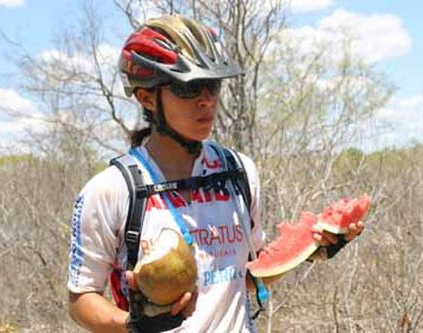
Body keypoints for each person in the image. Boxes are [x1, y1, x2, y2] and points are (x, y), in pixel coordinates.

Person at [67, 14, 365, 333]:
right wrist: (133, 325)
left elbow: (247, 276)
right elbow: (81, 299)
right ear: (147, 98)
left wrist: (310, 250)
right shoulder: (111, 190)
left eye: (212, 85)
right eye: (189, 88)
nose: (207, 101)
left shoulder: (238, 171)